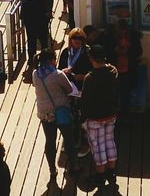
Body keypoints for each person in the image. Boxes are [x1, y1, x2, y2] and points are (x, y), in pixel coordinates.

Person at [32, 49, 78, 179]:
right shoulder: (58, 74)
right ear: (52, 60)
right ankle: (73, 165)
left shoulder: (36, 73)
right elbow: (69, 89)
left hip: (44, 113)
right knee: (68, 139)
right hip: (61, 111)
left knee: (50, 141)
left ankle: (52, 169)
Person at [79, 44, 119, 185]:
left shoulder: (90, 78)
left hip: (95, 116)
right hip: (111, 114)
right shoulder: (113, 71)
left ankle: (100, 174)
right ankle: (111, 171)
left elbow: (85, 101)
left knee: (98, 146)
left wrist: (82, 118)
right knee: (109, 141)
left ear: (92, 59)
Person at [18, 0, 53, 68]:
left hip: (42, 17)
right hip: (29, 19)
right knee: (31, 40)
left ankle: (45, 59)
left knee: (44, 39)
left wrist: (49, 10)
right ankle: (31, 59)